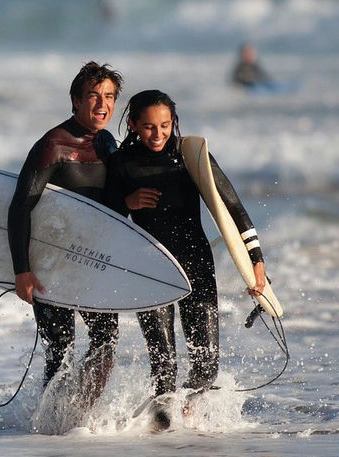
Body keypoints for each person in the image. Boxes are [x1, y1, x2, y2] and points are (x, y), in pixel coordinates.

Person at [105, 90, 266, 409]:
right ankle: (166, 437)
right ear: (134, 125)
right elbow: (105, 219)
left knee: (206, 367)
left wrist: (256, 262)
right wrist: (127, 202)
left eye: (165, 125)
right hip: (150, 269)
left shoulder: (190, 155)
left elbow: (233, 207)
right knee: (163, 369)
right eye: (149, 126)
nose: (158, 133)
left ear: (174, 122)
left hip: (195, 265)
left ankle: (188, 428)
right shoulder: (122, 163)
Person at [7, 62, 123, 411]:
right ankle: (48, 423)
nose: (102, 104)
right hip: (51, 261)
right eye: (93, 96)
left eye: (110, 97)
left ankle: (77, 419)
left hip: (93, 262)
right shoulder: (52, 145)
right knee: (61, 346)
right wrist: (22, 271)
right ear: (75, 100)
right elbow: (19, 208)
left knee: (106, 343)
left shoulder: (108, 144)